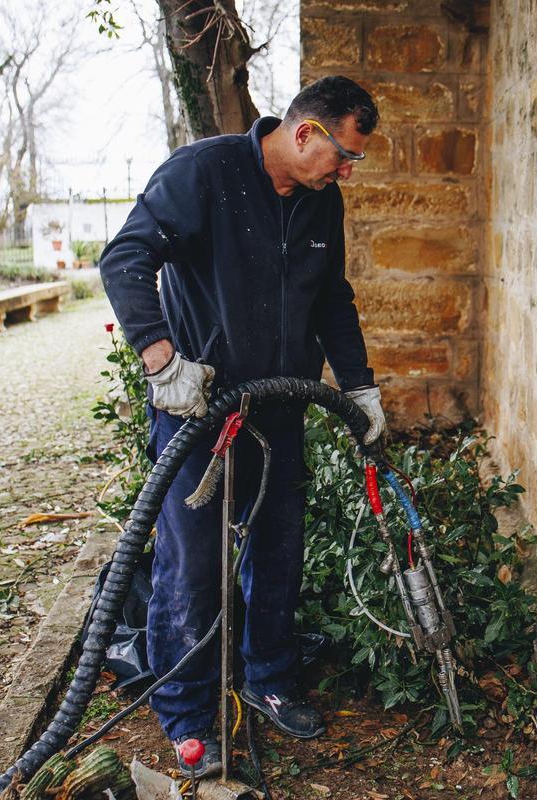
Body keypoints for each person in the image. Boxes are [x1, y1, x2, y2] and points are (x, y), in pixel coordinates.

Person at [98, 75, 386, 776]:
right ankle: (189, 716)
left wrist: (360, 387)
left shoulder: (321, 204)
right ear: (305, 133)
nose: (346, 172)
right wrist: (162, 360)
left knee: (279, 552)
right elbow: (125, 259)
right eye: (344, 155)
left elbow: (333, 302)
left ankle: (268, 677)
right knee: (192, 566)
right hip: (201, 416)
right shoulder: (205, 174)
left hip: (281, 412)